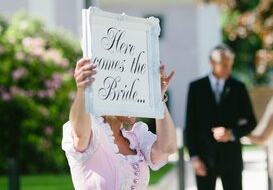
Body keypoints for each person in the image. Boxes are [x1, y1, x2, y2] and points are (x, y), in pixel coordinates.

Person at [62, 57, 176, 190]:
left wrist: (158, 99)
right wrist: (83, 89)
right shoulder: (92, 133)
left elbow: (167, 148)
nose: (136, 101)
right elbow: (80, 135)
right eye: (130, 93)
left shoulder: (136, 139)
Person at [185, 44, 257, 190]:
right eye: (224, 65)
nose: (228, 70)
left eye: (230, 65)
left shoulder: (239, 87)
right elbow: (190, 125)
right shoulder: (196, 88)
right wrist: (195, 157)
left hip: (232, 159)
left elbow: (251, 122)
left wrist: (231, 134)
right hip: (204, 158)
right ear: (212, 63)